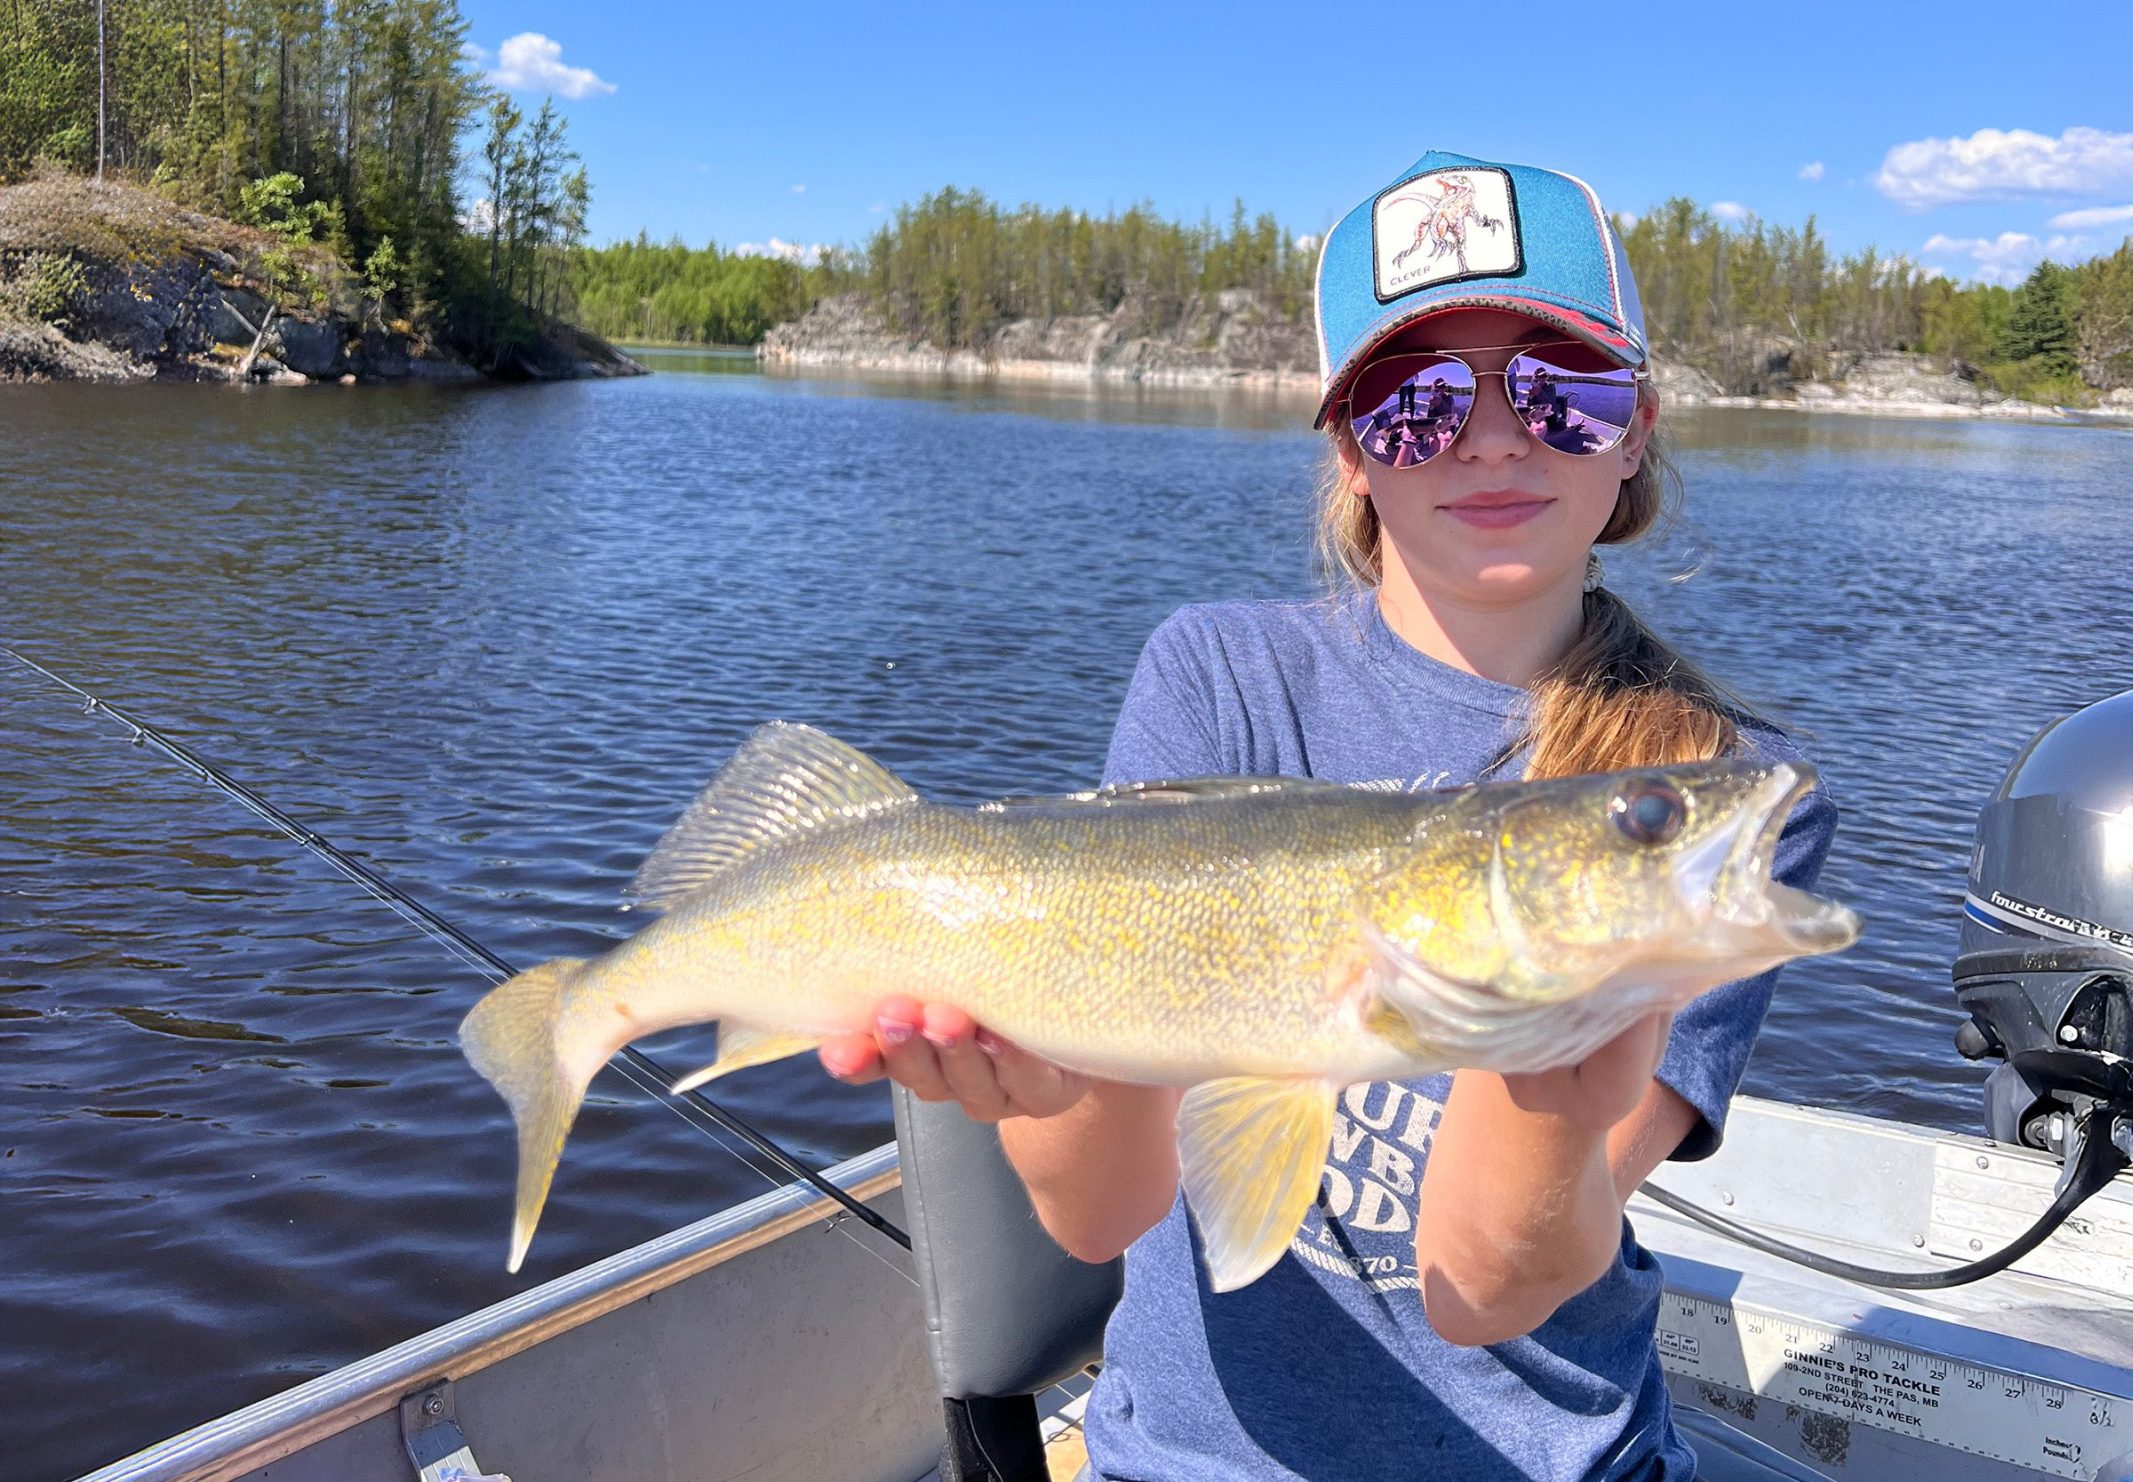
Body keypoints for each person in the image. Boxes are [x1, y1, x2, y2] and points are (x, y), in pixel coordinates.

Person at [819, 148, 1839, 1481]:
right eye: (1414, 399)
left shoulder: (1697, 798)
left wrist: (1547, 1049)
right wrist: (1040, 1077)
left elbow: (1480, 1284)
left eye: (1558, 389)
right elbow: (1096, 1211)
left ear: (1633, 426)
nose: (1488, 434)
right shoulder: (1218, 675)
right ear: (1352, 447)